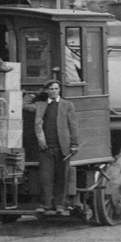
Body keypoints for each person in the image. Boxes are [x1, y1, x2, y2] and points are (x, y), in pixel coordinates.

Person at [33, 78, 79, 216]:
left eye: (56, 89)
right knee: (45, 177)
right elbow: (24, 104)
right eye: (51, 89)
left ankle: (60, 204)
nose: (53, 91)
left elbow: (73, 125)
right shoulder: (40, 105)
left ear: (59, 90)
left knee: (61, 177)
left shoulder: (67, 105)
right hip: (46, 148)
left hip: (62, 148)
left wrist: (74, 144)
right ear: (47, 91)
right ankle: (46, 204)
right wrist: (37, 93)